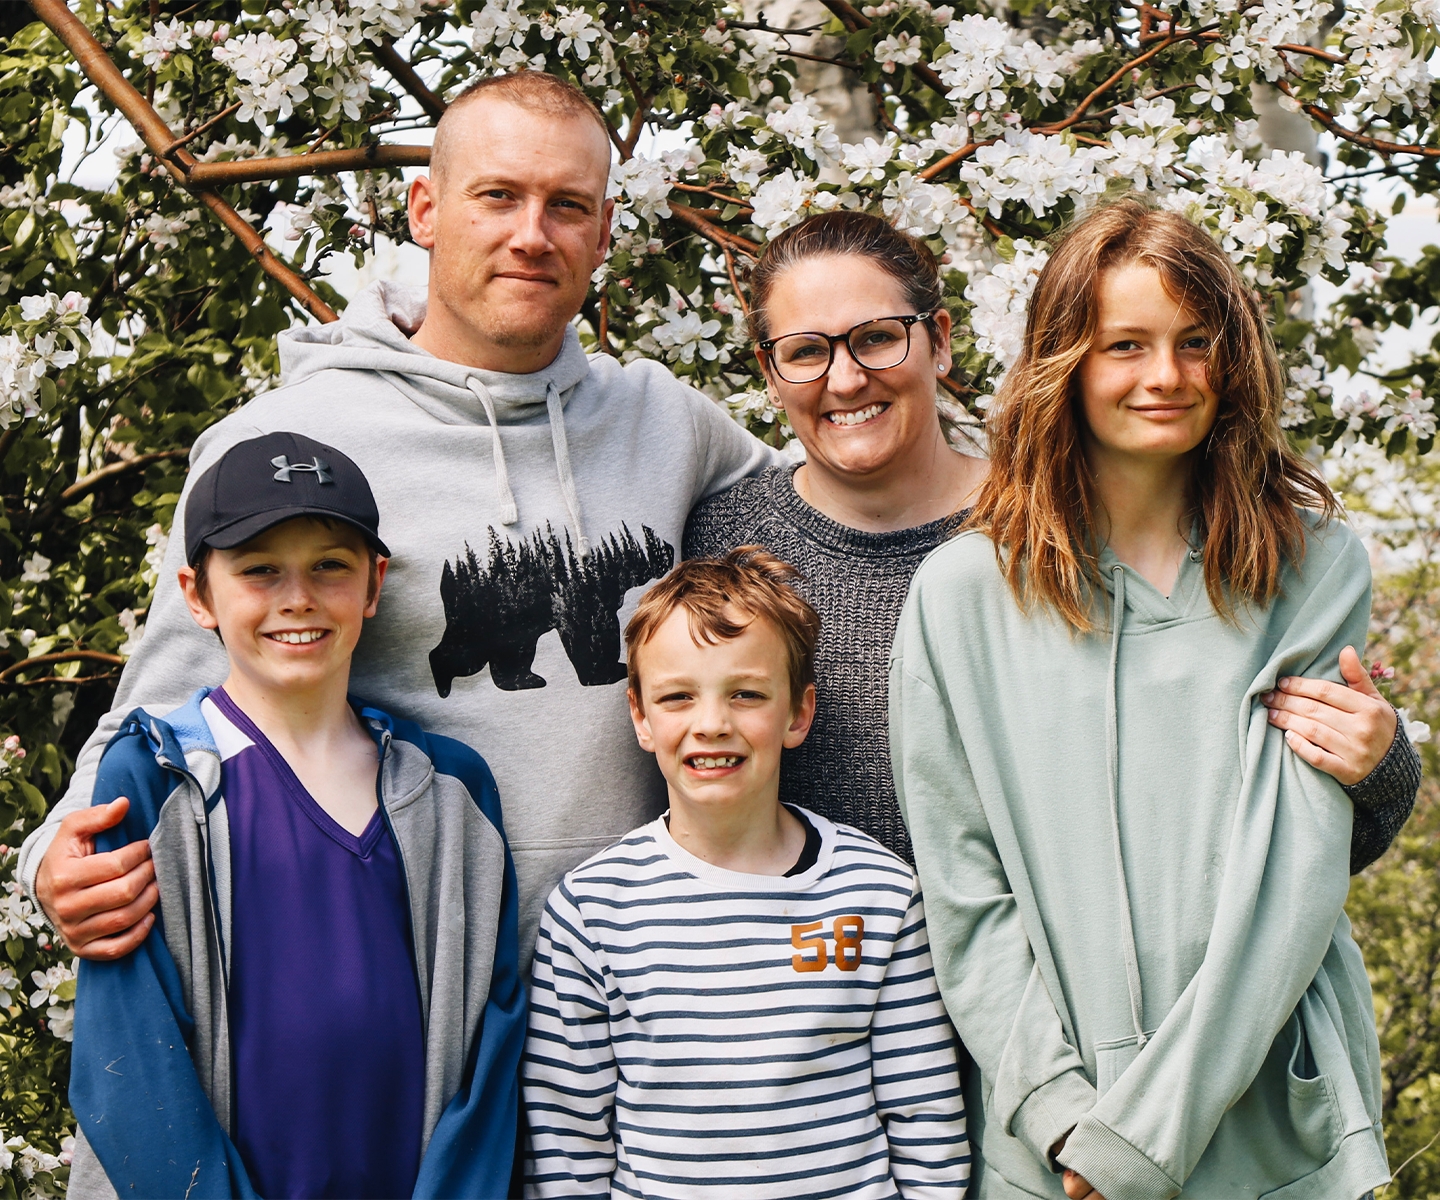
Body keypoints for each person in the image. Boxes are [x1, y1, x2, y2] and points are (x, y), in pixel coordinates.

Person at [19, 71, 783, 965]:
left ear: (606, 231)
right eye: (497, 196)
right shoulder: (284, 442)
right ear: (425, 209)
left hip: (647, 978)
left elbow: (830, 506)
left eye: (568, 206)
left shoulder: (663, 418)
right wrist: (53, 858)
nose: (532, 236)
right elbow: (161, 699)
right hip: (419, 983)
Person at [890, 200, 1392, 1198]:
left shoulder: (1314, 567)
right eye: (1125, 344)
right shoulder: (961, 598)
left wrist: (1144, 1141)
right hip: (1059, 1155)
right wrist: (1065, 1119)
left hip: (1270, 1136)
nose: (1165, 377)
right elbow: (965, 895)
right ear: (1064, 361)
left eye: (1194, 343)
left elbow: (1292, 884)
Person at [686, 210, 1421, 870]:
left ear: (938, 342)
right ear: (770, 371)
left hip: (1055, 999)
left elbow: (1217, 821)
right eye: (807, 351)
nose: (845, 379)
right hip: (813, 996)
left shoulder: (1060, 533)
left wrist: (1381, 770)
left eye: (877, 339)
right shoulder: (722, 542)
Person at [67, 432, 525, 1200]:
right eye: (259, 570)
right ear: (197, 594)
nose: (298, 597)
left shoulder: (452, 790)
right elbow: (129, 1064)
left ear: (374, 584)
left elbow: (492, 1043)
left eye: (329, 566)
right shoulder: (154, 780)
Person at [523, 549, 970, 1198]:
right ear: (641, 717)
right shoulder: (592, 911)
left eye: (746, 694)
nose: (711, 724)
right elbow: (569, 1146)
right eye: (677, 697)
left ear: (797, 712)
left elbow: (926, 1119)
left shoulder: (881, 895)